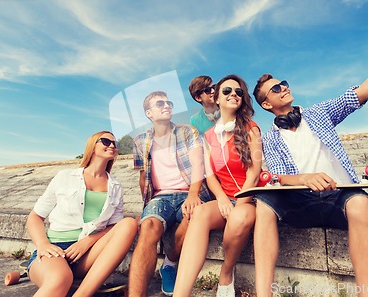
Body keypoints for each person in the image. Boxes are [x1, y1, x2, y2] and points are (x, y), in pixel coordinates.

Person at [252, 17, 368, 297]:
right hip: (299, 201)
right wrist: (304, 178)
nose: (284, 88)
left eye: (284, 83)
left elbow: (366, 90)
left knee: (361, 203)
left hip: (340, 194)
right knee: (264, 204)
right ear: (267, 103)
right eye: (276, 89)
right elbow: (278, 176)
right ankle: (263, 293)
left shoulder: (319, 113)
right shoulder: (271, 137)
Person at [173, 74, 262, 297]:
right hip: (226, 198)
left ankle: (226, 273)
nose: (234, 94)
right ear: (218, 98)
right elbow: (209, 175)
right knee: (200, 212)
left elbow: (254, 173)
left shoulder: (251, 128)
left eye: (239, 92)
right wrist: (222, 199)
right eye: (227, 91)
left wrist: (239, 204)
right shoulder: (209, 136)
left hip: (251, 198)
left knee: (240, 216)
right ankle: (180, 293)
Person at [26, 131, 138, 297]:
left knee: (129, 223)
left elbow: (114, 227)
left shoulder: (116, 186)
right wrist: (43, 245)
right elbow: (35, 217)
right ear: (92, 146)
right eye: (106, 141)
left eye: (115, 144)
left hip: (88, 254)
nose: (112, 146)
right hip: (56, 250)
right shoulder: (64, 177)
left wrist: (87, 242)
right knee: (59, 279)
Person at [129, 91, 208, 296]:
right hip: (161, 197)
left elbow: (198, 164)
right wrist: (147, 206)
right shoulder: (140, 141)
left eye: (169, 102)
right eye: (160, 103)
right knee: (148, 226)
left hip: (188, 191)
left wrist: (193, 194)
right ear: (149, 113)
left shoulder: (187, 131)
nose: (167, 106)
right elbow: (143, 176)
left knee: (194, 214)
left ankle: (170, 264)